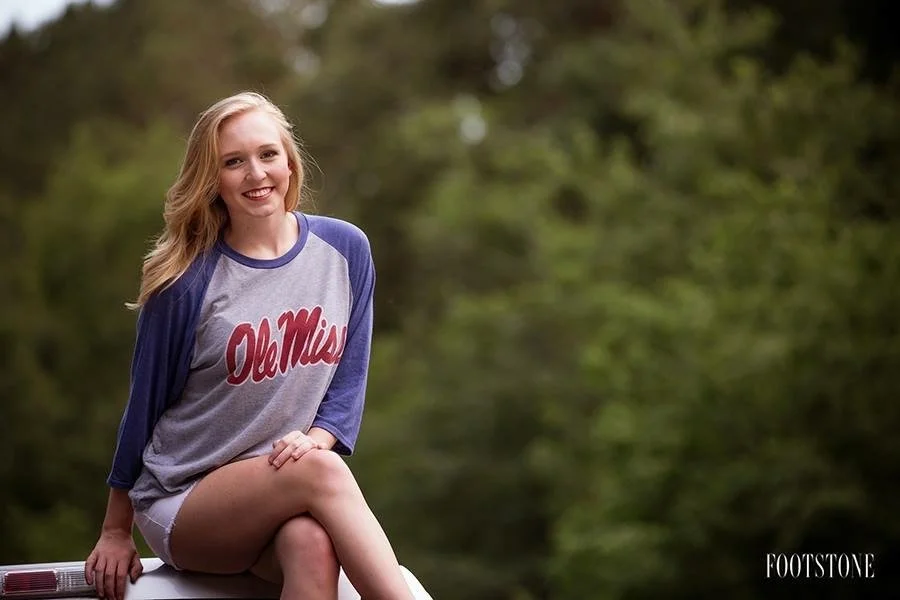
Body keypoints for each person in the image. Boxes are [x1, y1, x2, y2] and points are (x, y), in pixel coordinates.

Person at [83, 91, 415, 600]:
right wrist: (114, 529)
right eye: (233, 163)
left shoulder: (346, 251)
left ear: (289, 160)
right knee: (320, 471)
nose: (256, 174)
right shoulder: (186, 283)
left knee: (310, 543)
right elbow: (143, 407)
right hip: (184, 497)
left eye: (267, 155)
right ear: (212, 181)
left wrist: (319, 438)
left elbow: (349, 376)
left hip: (286, 485)